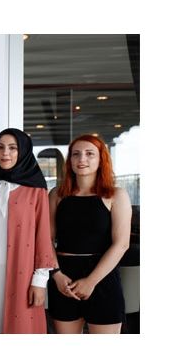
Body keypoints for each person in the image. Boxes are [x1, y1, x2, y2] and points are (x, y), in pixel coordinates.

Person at [47, 135, 132, 334]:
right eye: (76, 154)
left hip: (103, 276)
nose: (81, 159)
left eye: (89, 154)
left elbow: (121, 244)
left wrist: (91, 281)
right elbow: (46, 240)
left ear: (101, 159)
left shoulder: (116, 195)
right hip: (64, 277)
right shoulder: (56, 194)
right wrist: (56, 275)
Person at [0, 128, 55, 334]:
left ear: (23, 151)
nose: (5, 153)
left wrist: (40, 280)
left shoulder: (36, 190)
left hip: (21, 273)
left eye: (12, 148)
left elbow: (43, 236)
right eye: (0, 148)